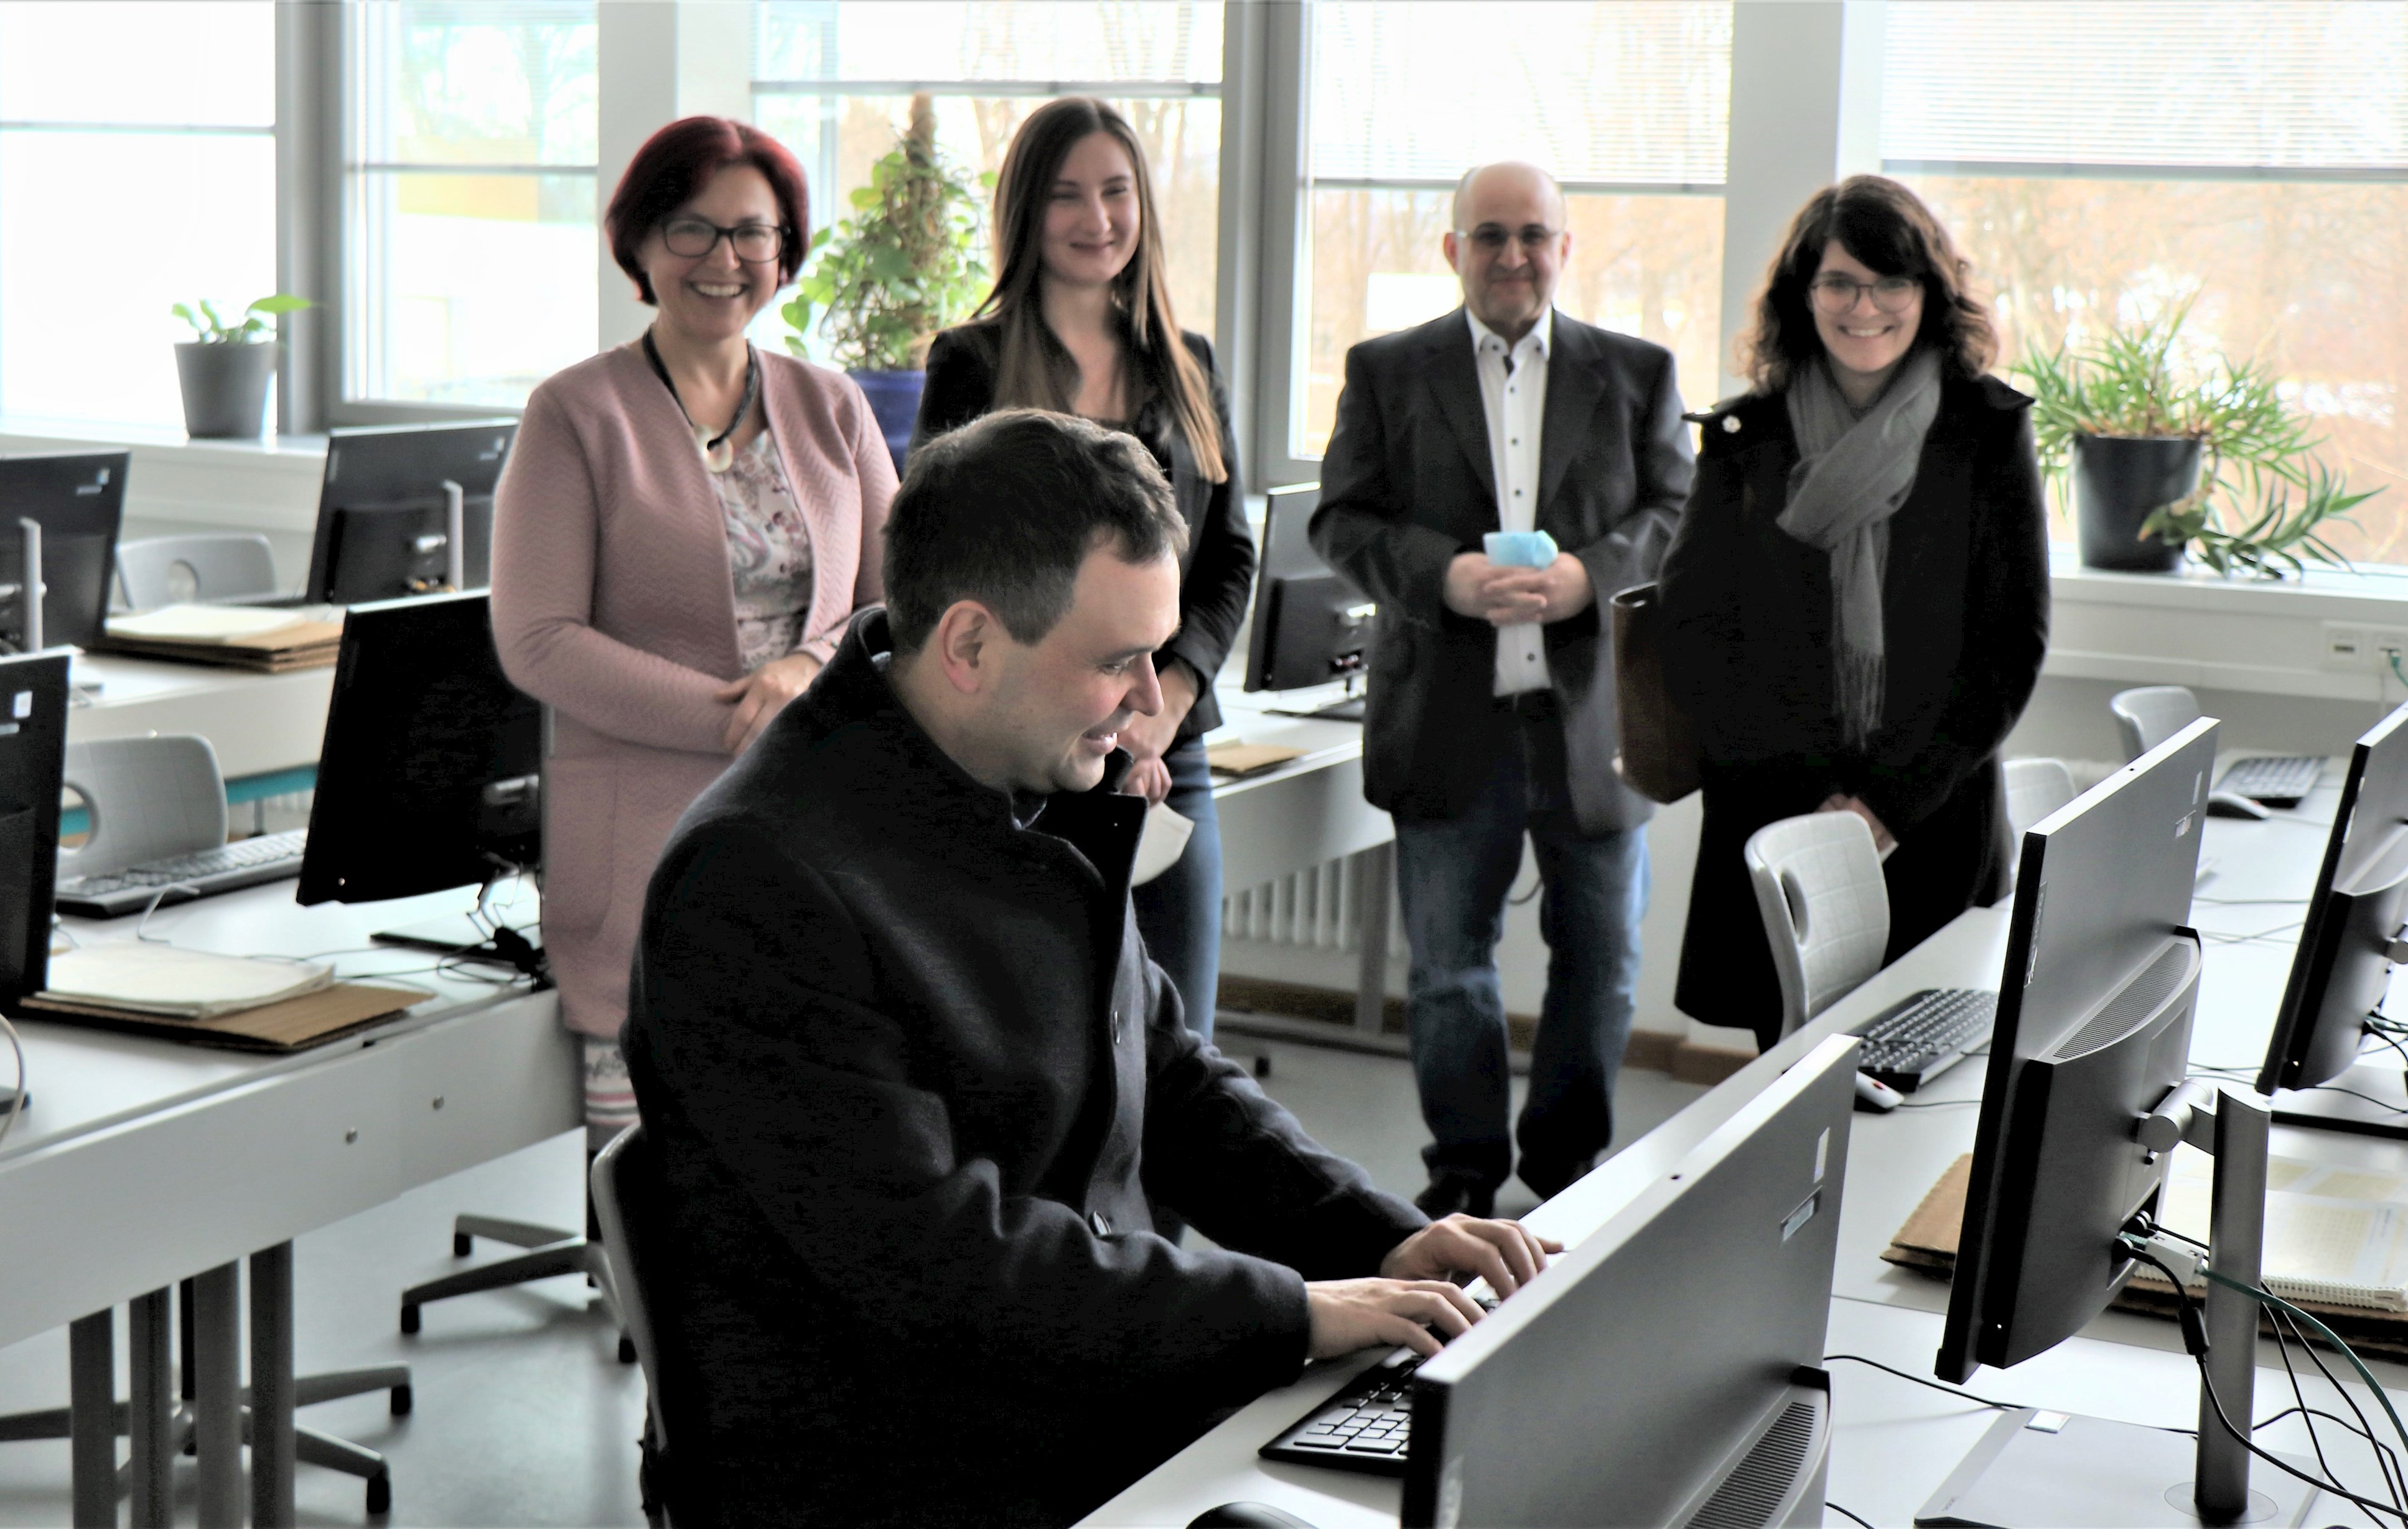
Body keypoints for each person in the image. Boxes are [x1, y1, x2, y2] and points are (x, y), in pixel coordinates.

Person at [622, 409, 1559, 1529]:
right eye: (1119, 662)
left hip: (1077, 1380)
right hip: (898, 1460)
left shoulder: (1016, 771)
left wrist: (1378, 1236)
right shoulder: (759, 881)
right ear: (968, 645)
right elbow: (939, 1266)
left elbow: (1162, 1068)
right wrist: (1292, 1312)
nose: (1154, 703)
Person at [491, 116, 893, 1143]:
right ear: (639, 242)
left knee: (808, 1158)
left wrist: (805, 669)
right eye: (692, 230)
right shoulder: (574, 414)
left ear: (785, 251)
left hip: (823, 837)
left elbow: (902, 606)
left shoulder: (832, 405)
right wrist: (737, 722)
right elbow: (537, 637)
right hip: (643, 849)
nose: (725, 260)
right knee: (655, 1185)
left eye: (752, 233)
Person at [1310, 162, 1696, 1219]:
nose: (1513, 255)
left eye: (1534, 235)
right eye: (1490, 235)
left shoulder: (1638, 373)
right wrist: (1444, 575)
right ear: (1452, 250)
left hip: (1594, 727)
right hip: (1443, 722)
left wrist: (1589, 577)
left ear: (1566, 249)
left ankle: (1566, 1177)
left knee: (1605, 967)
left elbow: (1680, 511)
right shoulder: (1388, 371)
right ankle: (1465, 1184)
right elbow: (1340, 519)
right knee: (1448, 975)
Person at [1656, 174, 2049, 1052]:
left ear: (1929, 293)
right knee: (1792, 1094)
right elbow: (1694, 634)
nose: (1863, 305)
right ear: (1804, 293)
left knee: (1927, 1098)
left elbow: (2008, 647)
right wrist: (1819, 809)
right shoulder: (1743, 439)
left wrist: (1884, 807)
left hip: (1932, 823)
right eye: (1838, 282)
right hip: (1778, 825)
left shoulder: (1986, 431)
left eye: (1890, 282)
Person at [914, 96, 1250, 1044]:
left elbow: (1229, 550)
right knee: (1041, 1037)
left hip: (1163, 749)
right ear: (1027, 211)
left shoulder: (1189, 364)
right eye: (1067, 196)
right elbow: (949, 562)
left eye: (1115, 192)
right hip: (1023, 751)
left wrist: (1167, 701)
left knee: (1179, 1037)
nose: (1096, 220)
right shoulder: (972, 363)